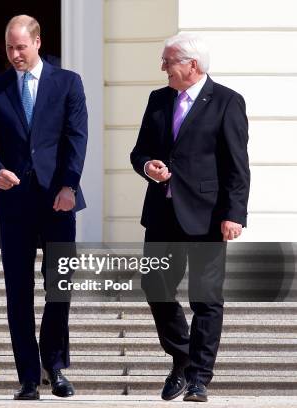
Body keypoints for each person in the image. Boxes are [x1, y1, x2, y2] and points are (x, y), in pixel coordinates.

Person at [130, 33, 250, 402]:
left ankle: (198, 377)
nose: (163, 67)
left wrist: (234, 214)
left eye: (168, 61)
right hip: (163, 214)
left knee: (206, 298)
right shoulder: (158, 99)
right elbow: (139, 152)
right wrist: (148, 166)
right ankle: (182, 355)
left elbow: (236, 166)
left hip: (207, 216)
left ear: (191, 66)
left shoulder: (227, 102)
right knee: (154, 286)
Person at [0, 15, 88, 400]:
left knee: (60, 286)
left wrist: (70, 185)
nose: (15, 54)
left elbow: (76, 138)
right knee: (17, 291)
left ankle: (54, 366)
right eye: (9, 47)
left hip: (59, 199)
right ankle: (27, 376)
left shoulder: (68, 82)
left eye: (21, 46)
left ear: (37, 42)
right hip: (14, 200)